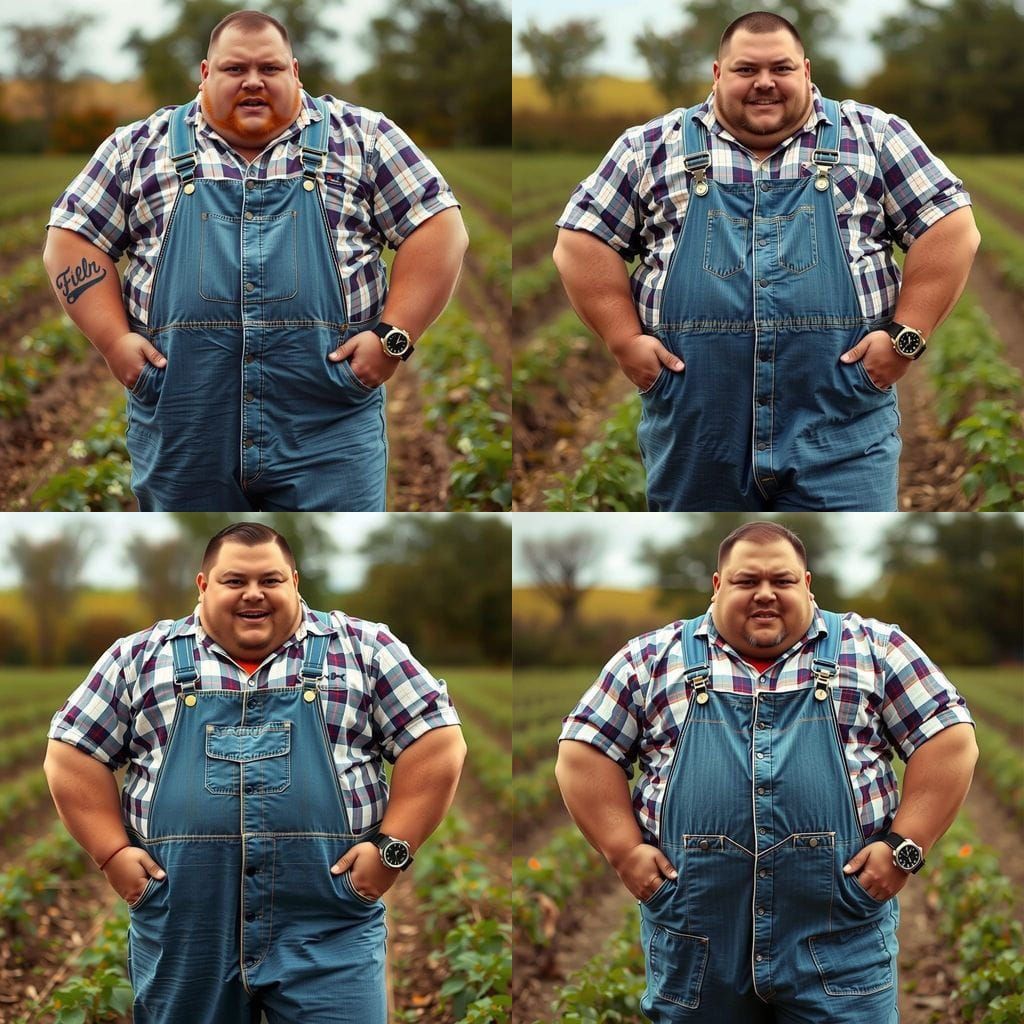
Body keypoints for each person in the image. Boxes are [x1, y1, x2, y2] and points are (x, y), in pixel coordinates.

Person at [552, 11, 981, 512]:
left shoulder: (874, 136)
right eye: (745, 70)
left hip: (842, 433)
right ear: (717, 74)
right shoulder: (650, 147)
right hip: (697, 436)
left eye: (780, 68)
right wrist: (623, 340)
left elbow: (950, 227)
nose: (764, 84)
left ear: (805, 69)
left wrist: (907, 339)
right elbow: (582, 240)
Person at [43, 10, 468, 512]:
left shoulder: (363, 138)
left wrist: (393, 338)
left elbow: (438, 228)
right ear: (205, 73)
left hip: (327, 426)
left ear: (294, 70)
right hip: (183, 422)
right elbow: (71, 238)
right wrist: (113, 342)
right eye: (234, 69)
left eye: (269, 69)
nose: (252, 82)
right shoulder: (137, 148)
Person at [44, 521, 467, 1024]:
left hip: (328, 925)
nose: (253, 595)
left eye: (270, 580)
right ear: (203, 585)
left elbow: (437, 743)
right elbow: (72, 752)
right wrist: (111, 852)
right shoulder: (138, 658)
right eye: (234, 581)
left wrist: (391, 851)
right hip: (185, 927)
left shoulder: (363, 648)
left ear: (294, 580)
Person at [555, 521, 978, 1023]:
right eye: (746, 581)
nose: (765, 595)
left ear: (807, 582)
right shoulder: (650, 658)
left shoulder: (874, 648)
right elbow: (584, 752)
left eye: (782, 581)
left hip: (839, 938)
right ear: (717, 585)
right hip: (697, 945)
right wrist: (623, 851)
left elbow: (948, 740)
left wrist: (906, 848)